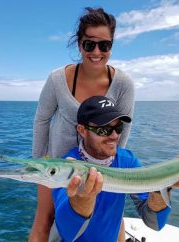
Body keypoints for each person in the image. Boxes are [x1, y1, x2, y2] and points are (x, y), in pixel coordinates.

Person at [29, 7, 135, 241]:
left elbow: (123, 128)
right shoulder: (57, 79)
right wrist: (39, 163)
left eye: (104, 45)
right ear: (79, 44)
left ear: (111, 46)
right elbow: (41, 120)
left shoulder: (124, 83)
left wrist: (112, 163)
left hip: (101, 166)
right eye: (89, 44)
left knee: (113, 216)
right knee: (44, 220)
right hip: (59, 166)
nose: (96, 52)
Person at [49, 96, 179, 242]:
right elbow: (68, 233)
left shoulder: (127, 161)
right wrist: (83, 198)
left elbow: (154, 223)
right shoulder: (65, 168)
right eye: (104, 130)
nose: (114, 136)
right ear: (82, 130)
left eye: (118, 127)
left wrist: (162, 185)